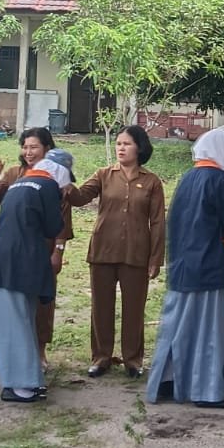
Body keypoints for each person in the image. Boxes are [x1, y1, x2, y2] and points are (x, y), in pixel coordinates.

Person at [146, 127, 224, 410]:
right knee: (208, 330)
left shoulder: (187, 177)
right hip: (209, 264)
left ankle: (167, 381)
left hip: (182, 265)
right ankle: (208, 391)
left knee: (177, 326)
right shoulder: (221, 180)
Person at [67, 124, 166, 378]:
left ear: (140, 148)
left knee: (134, 308)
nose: (121, 148)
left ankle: (133, 360)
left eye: (127, 144)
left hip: (136, 253)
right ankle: (101, 357)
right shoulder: (103, 174)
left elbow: (157, 222)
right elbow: (80, 198)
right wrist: (64, 182)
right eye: (119, 143)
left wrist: (156, 258)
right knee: (101, 306)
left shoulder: (152, 181)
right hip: (103, 250)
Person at [0, 150, 69, 403]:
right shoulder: (48, 186)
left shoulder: (21, 182)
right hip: (19, 262)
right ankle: (20, 386)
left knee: (9, 323)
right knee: (18, 324)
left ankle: (19, 380)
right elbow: (54, 226)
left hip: (1, 260)